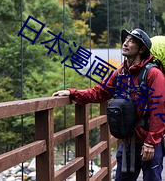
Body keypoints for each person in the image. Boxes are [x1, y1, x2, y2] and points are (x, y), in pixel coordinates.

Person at [52, 28, 165, 181]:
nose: (125, 43)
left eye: (131, 41)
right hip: (128, 141)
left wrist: (151, 143)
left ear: (142, 49)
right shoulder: (120, 73)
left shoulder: (153, 74)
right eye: (125, 40)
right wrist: (73, 93)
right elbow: (100, 92)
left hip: (148, 142)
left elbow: (159, 110)